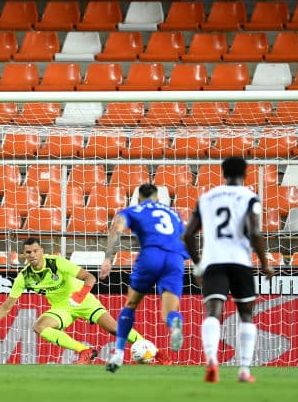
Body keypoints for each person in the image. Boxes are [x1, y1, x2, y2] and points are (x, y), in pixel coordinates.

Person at [0, 237, 151, 364]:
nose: (32, 255)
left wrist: (79, 295)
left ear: (41, 251)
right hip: (62, 308)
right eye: (28, 252)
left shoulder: (56, 262)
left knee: (114, 329)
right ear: (24, 255)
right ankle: (85, 351)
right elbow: (6, 307)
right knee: (39, 326)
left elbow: (90, 278)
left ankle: (154, 352)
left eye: (35, 251)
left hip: (84, 301)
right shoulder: (24, 277)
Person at [181, 156, 275, 383]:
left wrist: (198, 264)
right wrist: (263, 262)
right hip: (240, 261)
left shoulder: (207, 197)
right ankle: (244, 370)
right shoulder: (250, 197)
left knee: (213, 312)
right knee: (246, 315)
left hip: (214, 261)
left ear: (223, 172)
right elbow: (254, 232)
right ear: (245, 173)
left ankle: (212, 361)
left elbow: (187, 235)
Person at [99, 183, 188, 372]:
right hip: (175, 259)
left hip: (151, 255)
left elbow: (117, 229)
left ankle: (119, 354)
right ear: (157, 198)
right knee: (168, 312)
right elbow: (185, 239)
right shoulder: (173, 214)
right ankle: (175, 323)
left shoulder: (133, 210)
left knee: (131, 304)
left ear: (139, 198)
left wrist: (108, 258)